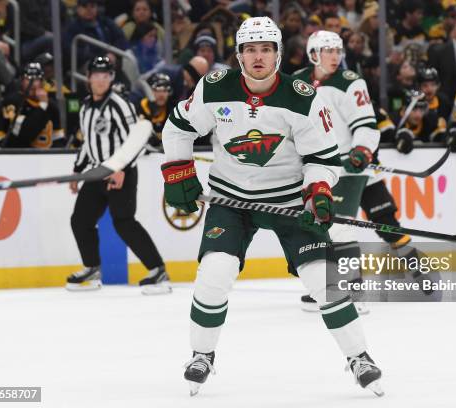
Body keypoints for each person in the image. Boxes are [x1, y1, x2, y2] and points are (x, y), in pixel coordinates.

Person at [161, 17, 383, 397]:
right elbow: (178, 128)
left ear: (278, 54)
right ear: (239, 55)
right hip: (231, 200)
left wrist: (319, 190)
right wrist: (179, 173)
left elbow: (324, 159)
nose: (258, 56)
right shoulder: (214, 88)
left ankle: (359, 357)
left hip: (289, 201)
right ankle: (202, 355)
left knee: (322, 278)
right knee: (215, 272)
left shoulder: (302, 96)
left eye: (266, 49)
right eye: (250, 49)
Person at [293, 30, 380, 315]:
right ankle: (327, 286)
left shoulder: (351, 83)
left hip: (346, 168)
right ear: (313, 54)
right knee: (315, 223)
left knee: (341, 226)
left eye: (337, 50)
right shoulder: (295, 82)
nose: (335, 56)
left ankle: (354, 289)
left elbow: (366, 125)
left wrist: (362, 151)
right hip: (314, 166)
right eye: (328, 50)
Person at [67, 56, 169, 295]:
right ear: (89, 78)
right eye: (96, 75)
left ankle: (158, 269)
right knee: (80, 220)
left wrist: (122, 168)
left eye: (106, 75)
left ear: (111, 78)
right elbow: (88, 143)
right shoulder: (85, 106)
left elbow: (135, 140)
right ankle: (92, 268)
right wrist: (77, 171)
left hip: (121, 172)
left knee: (123, 222)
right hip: (96, 172)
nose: (101, 80)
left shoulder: (119, 104)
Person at [2, 62, 64, 148]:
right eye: (28, 79)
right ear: (21, 81)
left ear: (42, 82)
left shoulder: (52, 106)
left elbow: (57, 139)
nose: (33, 84)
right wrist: (42, 105)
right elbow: (25, 133)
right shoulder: (12, 102)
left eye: (37, 79)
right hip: (18, 156)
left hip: (46, 158)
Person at [136, 72, 175, 147]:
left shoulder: (174, 112)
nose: (161, 94)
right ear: (149, 90)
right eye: (157, 90)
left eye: (165, 90)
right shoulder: (138, 109)